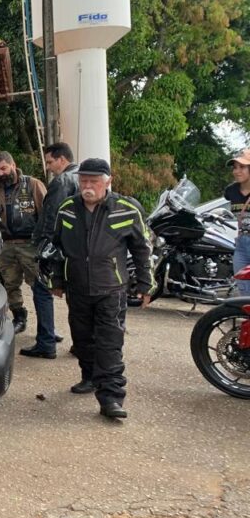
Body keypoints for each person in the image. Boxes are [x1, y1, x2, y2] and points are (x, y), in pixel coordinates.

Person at [48, 158, 154, 420]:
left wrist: (146, 284)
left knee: (109, 344)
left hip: (111, 289)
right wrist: (56, 281)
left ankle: (111, 398)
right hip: (77, 288)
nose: (87, 186)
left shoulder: (127, 209)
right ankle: (89, 377)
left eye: (94, 181)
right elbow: (55, 248)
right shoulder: (67, 209)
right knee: (82, 340)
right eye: (83, 180)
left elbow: (143, 249)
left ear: (108, 182)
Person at [22, 142, 80, 359]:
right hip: (78, 249)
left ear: (62, 159)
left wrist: (44, 249)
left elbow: (51, 218)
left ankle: (46, 342)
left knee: (41, 290)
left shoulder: (62, 181)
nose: (48, 167)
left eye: (49, 162)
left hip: (57, 249)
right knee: (76, 298)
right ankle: (81, 344)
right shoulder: (85, 178)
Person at [0, 152, 47, 334]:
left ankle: (47, 327)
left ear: (13, 165)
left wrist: (44, 242)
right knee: (10, 284)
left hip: (30, 245)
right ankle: (19, 317)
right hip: (6, 245)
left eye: (4, 168)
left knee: (39, 286)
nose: (1, 173)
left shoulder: (33, 184)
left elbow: (47, 214)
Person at [225, 148, 250, 295]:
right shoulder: (231, 191)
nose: (237, 171)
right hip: (241, 244)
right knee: (244, 289)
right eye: (235, 167)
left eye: (242, 167)